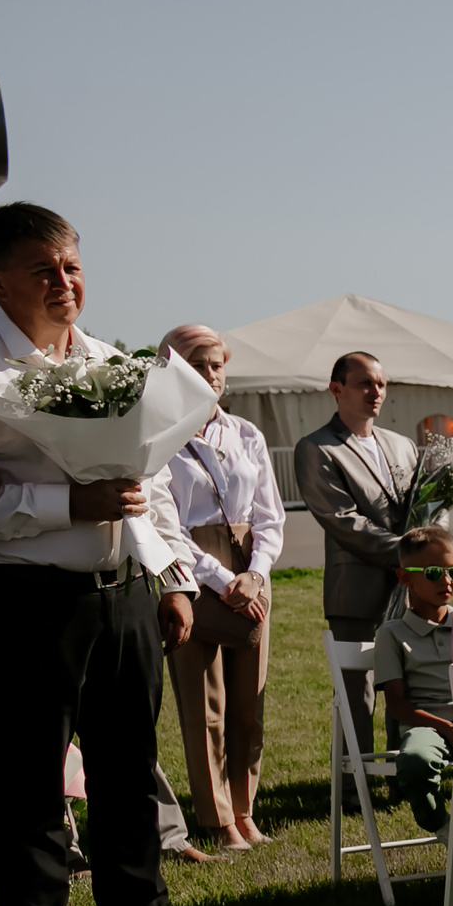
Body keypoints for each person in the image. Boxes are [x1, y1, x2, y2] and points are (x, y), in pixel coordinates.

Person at [0, 203, 208, 906]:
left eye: (72, 266)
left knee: (128, 766)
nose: (65, 282)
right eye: (44, 270)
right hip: (25, 598)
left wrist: (173, 575)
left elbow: (152, 481)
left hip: (122, 591)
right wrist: (67, 505)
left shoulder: (109, 360)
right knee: (31, 781)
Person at [154, 324, 282, 851]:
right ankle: (218, 817)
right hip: (191, 573)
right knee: (205, 704)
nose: (209, 374)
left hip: (251, 568)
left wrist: (256, 573)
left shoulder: (246, 432)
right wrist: (224, 580)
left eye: (216, 364)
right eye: (197, 364)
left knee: (249, 703)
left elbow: (270, 516)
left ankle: (246, 809)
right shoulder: (158, 436)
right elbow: (168, 524)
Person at [295, 351, 416, 760]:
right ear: (337, 389)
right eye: (365, 383)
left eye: (381, 384)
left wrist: (431, 546)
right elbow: (342, 520)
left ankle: (408, 773)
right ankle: (352, 781)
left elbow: (427, 507)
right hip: (356, 590)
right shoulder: (317, 448)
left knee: (409, 682)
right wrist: (411, 554)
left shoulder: (403, 445)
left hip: (412, 589)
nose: (375, 391)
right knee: (355, 693)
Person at [370, 526, 453, 831]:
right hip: (427, 727)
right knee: (414, 761)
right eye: (434, 573)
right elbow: (397, 706)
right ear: (404, 577)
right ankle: (443, 828)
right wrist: (446, 727)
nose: (447, 582)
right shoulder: (392, 634)